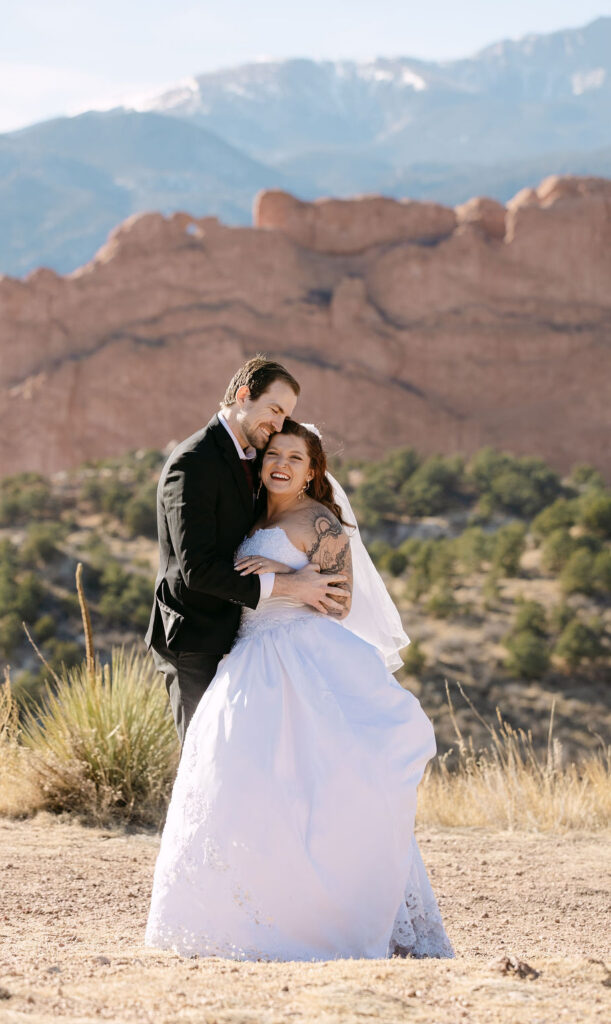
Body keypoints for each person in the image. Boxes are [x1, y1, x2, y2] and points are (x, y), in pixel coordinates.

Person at [145, 419, 454, 960]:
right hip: (245, 661)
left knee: (322, 791)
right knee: (239, 782)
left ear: (313, 471)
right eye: (274, 455)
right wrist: (266, 582)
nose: (281, 464)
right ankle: (248, 919)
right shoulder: (249, 516)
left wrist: (280, 585)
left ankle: (331, 920)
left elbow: (338, 602)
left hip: (301, 660)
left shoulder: (322, 523)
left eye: (294, 457)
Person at [144, 357, 348, 744]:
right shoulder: (193, 464)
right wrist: (290, 586)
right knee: (204, 755)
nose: (279, 424)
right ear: (242, 397)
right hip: (194, 637)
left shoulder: (255, 458)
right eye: (274, 410)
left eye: (286, 415)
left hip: (243, 640)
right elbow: (198, 571)